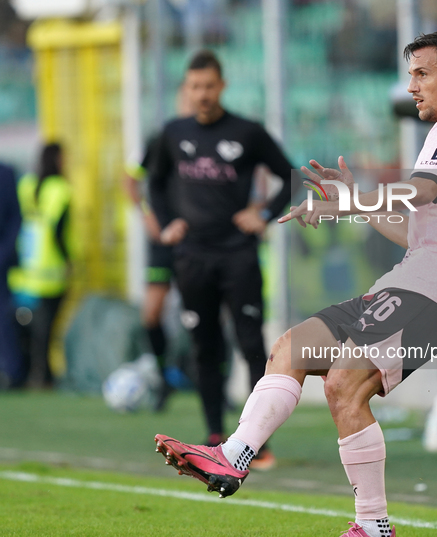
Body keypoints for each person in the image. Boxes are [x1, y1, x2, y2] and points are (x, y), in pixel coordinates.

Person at [155, 30, 437, 537]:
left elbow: (421, 191)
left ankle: (373, 526)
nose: (412, 86)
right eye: (410, 75)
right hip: (412, 282)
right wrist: (352, 204)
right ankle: (234, 455)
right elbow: (416, 229)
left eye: (422, 74)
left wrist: (356, 198)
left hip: (436, 293)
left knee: (344, 383)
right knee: (291, 349)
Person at [149, 51, 293, 467]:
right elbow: (154, 183)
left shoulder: (247, 132)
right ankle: (214, 431)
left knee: (251, 345)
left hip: (238, 255)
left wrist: (263, 213)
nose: (203, 94)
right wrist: (167, 221)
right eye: (195, 87)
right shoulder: (173, 133)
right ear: (187, 89)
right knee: (203, 345)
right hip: (193, 257)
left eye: (209, 86)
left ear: (222, 86)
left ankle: (256, 442)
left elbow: (289, 175)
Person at [124, 84, 195, 410]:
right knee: (150, 313)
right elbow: (131, 178)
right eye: (189, 93)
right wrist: (147, 216)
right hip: (164, 241)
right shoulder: (161, 139)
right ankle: (164, 379)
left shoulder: (212, 141)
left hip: (198, 239)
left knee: (204, 313)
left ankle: (215, 386)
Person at [9, 142, 71, 388]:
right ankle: (44, 375)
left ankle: (29, 371)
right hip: (51, 270)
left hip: (26, 268)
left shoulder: (26, 184)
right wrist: (67, 260)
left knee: (27, 326)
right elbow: (59, 230)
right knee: (47, 329)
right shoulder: (60, 189)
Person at [0, 161, 22, 388]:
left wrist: (4, 254)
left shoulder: (6, 173)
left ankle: (11, 372)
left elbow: (15, 218)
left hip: (0, 259)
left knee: (3, 318)